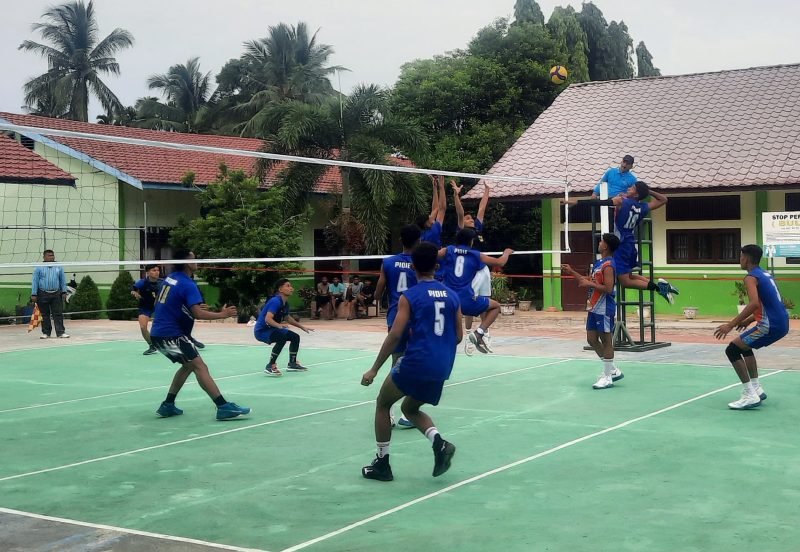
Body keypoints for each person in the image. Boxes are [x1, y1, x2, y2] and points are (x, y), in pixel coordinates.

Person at [361, 241, 462, 482]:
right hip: (442, 365)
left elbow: (395, 334)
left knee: (383, 403)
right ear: (436, 266)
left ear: (413, 266)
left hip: (416, 361)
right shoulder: (452, 296)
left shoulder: (410, 296)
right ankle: (439, 442)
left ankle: (382, 463)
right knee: (410, 408)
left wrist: (374, 369)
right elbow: (458, 336)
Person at [150, 250, 250, 420]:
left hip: (158, 334)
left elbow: (161, 303)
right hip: (171, 334)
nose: (198, 261)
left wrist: (188, 308)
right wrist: (223, 314)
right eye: (194, 259)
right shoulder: (188, 284)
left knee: (188, 366)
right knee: (200, 367)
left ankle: (168, 405)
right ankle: (222, 406)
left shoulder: (170, 278)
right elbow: (198, 314)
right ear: (188, 263)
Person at [566, 181, 678, 303]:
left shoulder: (622, 201)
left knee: (625, 281)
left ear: (636, 194)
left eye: (633, 188)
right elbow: (663, 199)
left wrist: (577, 202)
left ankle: (659, 289)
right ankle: (662, 287)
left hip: (622, 245)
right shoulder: (643, 207)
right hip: (630, 242)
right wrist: (646, 191)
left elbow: (600, 202)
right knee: (628, 276)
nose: (629, 187)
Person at [714, 244, 790, 410]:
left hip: (771, 325)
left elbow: (754, 303)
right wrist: (748, 321)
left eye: (741, 257)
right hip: (781, 322)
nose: (739, 260)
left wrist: (730, 324)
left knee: (732, 350)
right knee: (743, 346)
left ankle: (750, 394)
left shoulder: (750, 277)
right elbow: (769, 302)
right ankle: (756, 388)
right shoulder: (765, 274)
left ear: (746, 258)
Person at [373, 224, 421, 430]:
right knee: (413, 362)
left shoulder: (388, 262)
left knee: (397, 361)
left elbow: (379, 288)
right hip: (415, 316)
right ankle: (404, 411)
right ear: (419, 241)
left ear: (401, 240)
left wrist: (375, 300)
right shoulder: (420, 263)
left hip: (395, 316)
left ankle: (389, 409)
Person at [562, 233, 624, 389]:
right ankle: (613, 370)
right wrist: (572, 272)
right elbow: (587, 280)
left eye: (602, 241)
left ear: (606, 246)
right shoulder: (599, 263)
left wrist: (591, 285)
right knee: (591, 339)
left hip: (604, 307)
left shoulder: (608, 265)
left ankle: (608, 377)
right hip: (594, 306)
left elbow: (609, 289)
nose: (600, 242)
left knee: (606, 340)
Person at [439, 229, 512, 354]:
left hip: (447, 300)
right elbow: (500, 262)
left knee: (451, 335)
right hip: (466, 301)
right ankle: (479, 333)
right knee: (496, 307)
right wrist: (507, 252)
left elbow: (428, 255)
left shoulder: (448, 250)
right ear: (471, 242)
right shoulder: (475, 255)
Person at [452, 180, 492, 351]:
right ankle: (468, 334)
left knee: (485, 302)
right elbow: (460, 212)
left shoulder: (478, 228)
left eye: (471, 218)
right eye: (469, 218)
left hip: (484, 270)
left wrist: (487, 191)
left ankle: (483, 334)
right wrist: (456, 195)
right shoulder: (462, 232)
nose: (471, 219)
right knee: (470, 305)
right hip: (472, 272)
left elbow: (482, 209)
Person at [255, 278, 314, 376]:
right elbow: (268, 319)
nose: (291, 288)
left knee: (295, 337)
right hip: (262, 331)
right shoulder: (275, 301)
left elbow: (287, 318)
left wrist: (302, 327)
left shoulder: (285, 303)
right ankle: (270, 366)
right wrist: (279, 325)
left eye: (291, 286)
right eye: (288, 286)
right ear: (280, 289)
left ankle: (292, 363)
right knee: (281, 338)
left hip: (272, 328)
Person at [31, 249, 69, 339]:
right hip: (42, 293)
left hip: (56, 293)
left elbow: (62, 280)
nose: (51, 257)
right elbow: (35, 281)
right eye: (49, 255)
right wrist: (34, 294)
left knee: (58, 313)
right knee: (44, 314)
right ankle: (46, 333)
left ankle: (60, 332)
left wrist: (64, 291)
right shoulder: (38, 267)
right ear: (44, 257)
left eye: (52, 255)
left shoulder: (58, 266)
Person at [131, 264, 162, 355]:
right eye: (154, 270)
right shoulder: (142, 282)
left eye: (157, 270)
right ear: (147, 272)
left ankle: (189, 339)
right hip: (145, 306)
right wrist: (134, 292)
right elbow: (133, 288)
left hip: (160, 307)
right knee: (143, 327)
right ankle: (152, 346)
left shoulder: (162, 283)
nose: (156, 272)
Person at [415, 175, 446, 247]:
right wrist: (441, 187)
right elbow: (441, 209)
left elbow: (435, 209)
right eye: (430, 217)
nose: (431, 215)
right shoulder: (434, 230)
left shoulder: (422, 233)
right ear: (427, 223)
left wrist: (435, 188)